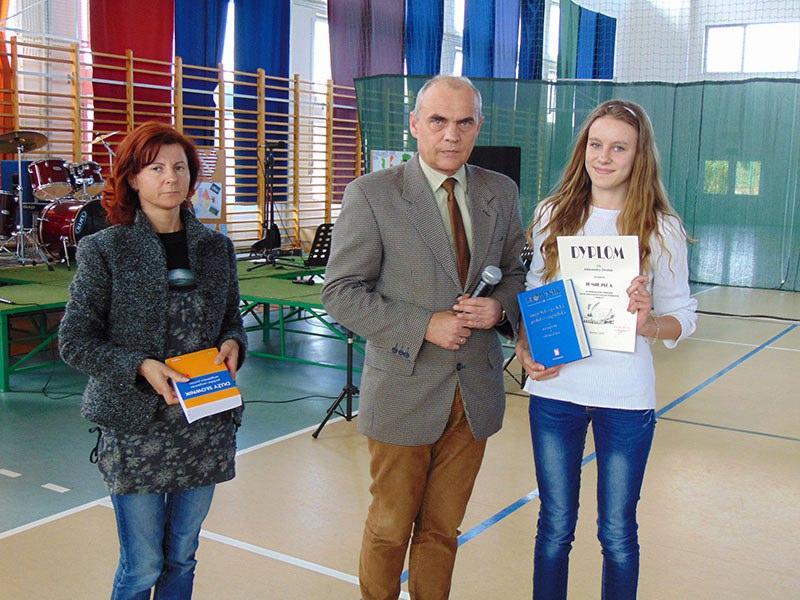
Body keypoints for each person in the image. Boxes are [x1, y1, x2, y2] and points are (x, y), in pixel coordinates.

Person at [322, 75, 526, 600]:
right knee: (391, 529)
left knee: (441, 530)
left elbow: (514, 273)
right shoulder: (373, 194)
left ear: (479, 126)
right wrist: (423, 325)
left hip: (474, 395)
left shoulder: (501, 192)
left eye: (464, 122)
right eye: (438, 120)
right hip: (403, 390)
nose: (451, 134)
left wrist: (499, 307)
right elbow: (340, 292)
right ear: (415, 124)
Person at [515, 100, 697, 599]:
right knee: (554, 525)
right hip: (557, 390)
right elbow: (534, 294)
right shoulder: (552, 214)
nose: (604, 157)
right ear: (583, 150)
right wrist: (527, 348)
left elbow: (684, 316)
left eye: (619, 148)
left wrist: (648, 322)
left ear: (640, 156)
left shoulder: (662, 228)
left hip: (626, 398)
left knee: (616, 533)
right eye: (596, 145)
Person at [59, 121, 246, 600]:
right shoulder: (105, 250)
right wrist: (141, 365)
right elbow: (75, 341)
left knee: (182, 556)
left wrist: (233, 344)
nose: (171, 178)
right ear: (133, 178)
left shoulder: (216, 248)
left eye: (180, 167)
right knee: (142, 565)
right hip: (135, 427)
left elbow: (231, 319)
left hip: (204, 422)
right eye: (156, 168)